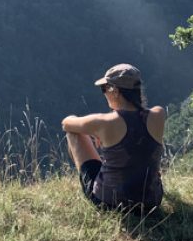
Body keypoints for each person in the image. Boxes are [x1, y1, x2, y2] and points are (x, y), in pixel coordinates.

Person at [61, 63, 165, 213]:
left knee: (73, 133)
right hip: (151, 202)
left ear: (115, 91)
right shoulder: (158, 114)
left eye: (104, 89)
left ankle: (95, 181)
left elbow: (66, 123)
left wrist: (94, 130)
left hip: (110, 202)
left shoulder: (104, 122)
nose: (104, 93)